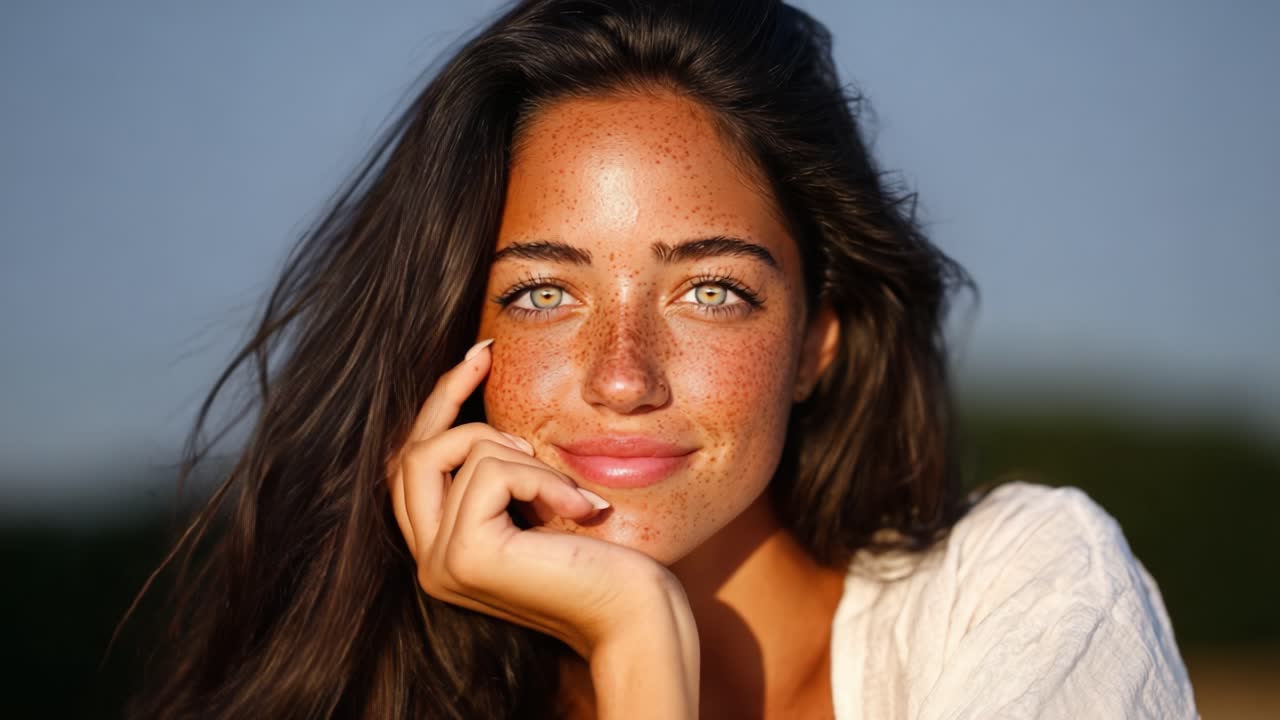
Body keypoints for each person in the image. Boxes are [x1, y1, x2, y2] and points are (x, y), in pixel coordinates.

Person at [124, 0, 1197, 717]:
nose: (623, 375)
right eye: (544, 294)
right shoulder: (377, 694)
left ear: (815, 341)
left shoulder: (1018, 591)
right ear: (452, 344)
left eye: (709, 290)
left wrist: (637, 647)